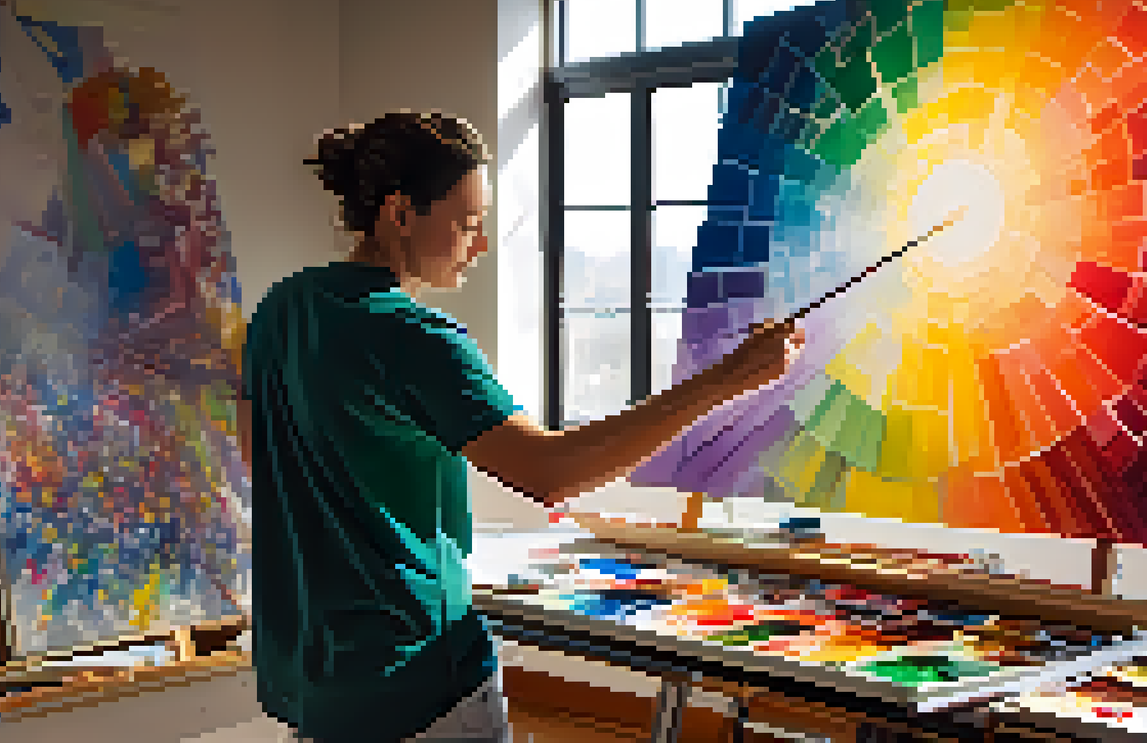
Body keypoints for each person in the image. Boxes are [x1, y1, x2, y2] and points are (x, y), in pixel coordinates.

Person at [236, 110, 803, 743]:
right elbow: (553, 475)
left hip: (312, 684)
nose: (479, 246)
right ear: (400, 214)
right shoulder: (417, 337)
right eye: (468, 223)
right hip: (415, 681)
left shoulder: (279, 310)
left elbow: (261, 459)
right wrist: (724, 381)